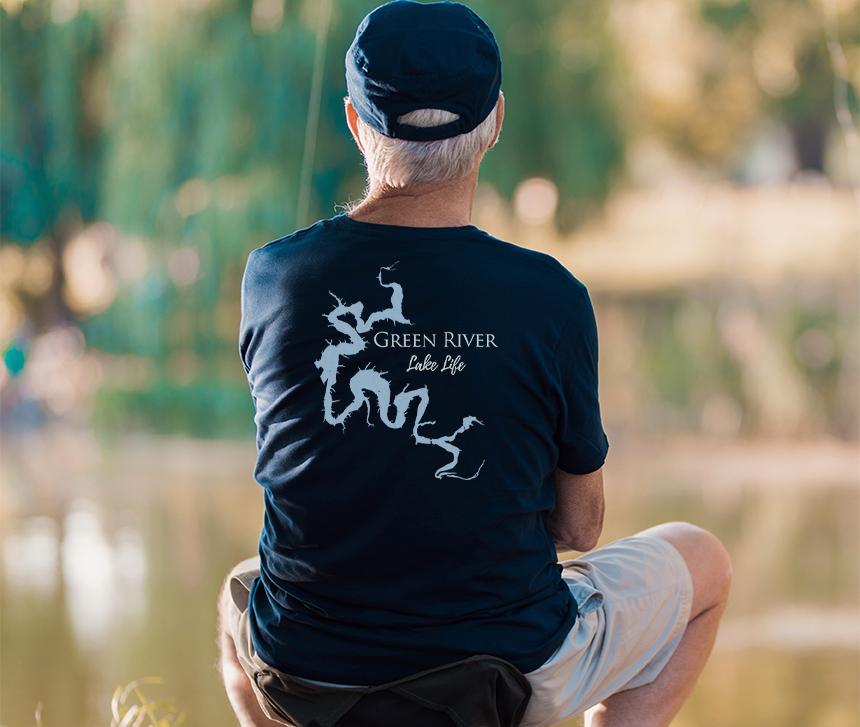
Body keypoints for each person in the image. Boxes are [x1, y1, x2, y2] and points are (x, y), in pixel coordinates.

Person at [217, 2, 733, 725]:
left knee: (237, 595)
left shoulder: (273, 277)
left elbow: (318, 480)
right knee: (703, 561)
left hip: (306, 673)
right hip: (504, 671)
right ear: (495, 121)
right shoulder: (550, 295)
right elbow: (582, 528)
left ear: (356, 123)